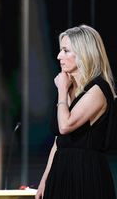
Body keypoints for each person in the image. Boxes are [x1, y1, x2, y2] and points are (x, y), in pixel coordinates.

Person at [36, 25, 116, 199]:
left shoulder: (98, 89)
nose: (59, 56)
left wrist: (62, 91)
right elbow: (59, 141)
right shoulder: (69, 89)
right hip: (61, 170)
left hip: (85, 174)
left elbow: (65, 126)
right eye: (60, 51)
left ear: (83, 54)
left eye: (65, 51)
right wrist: (45, 178)